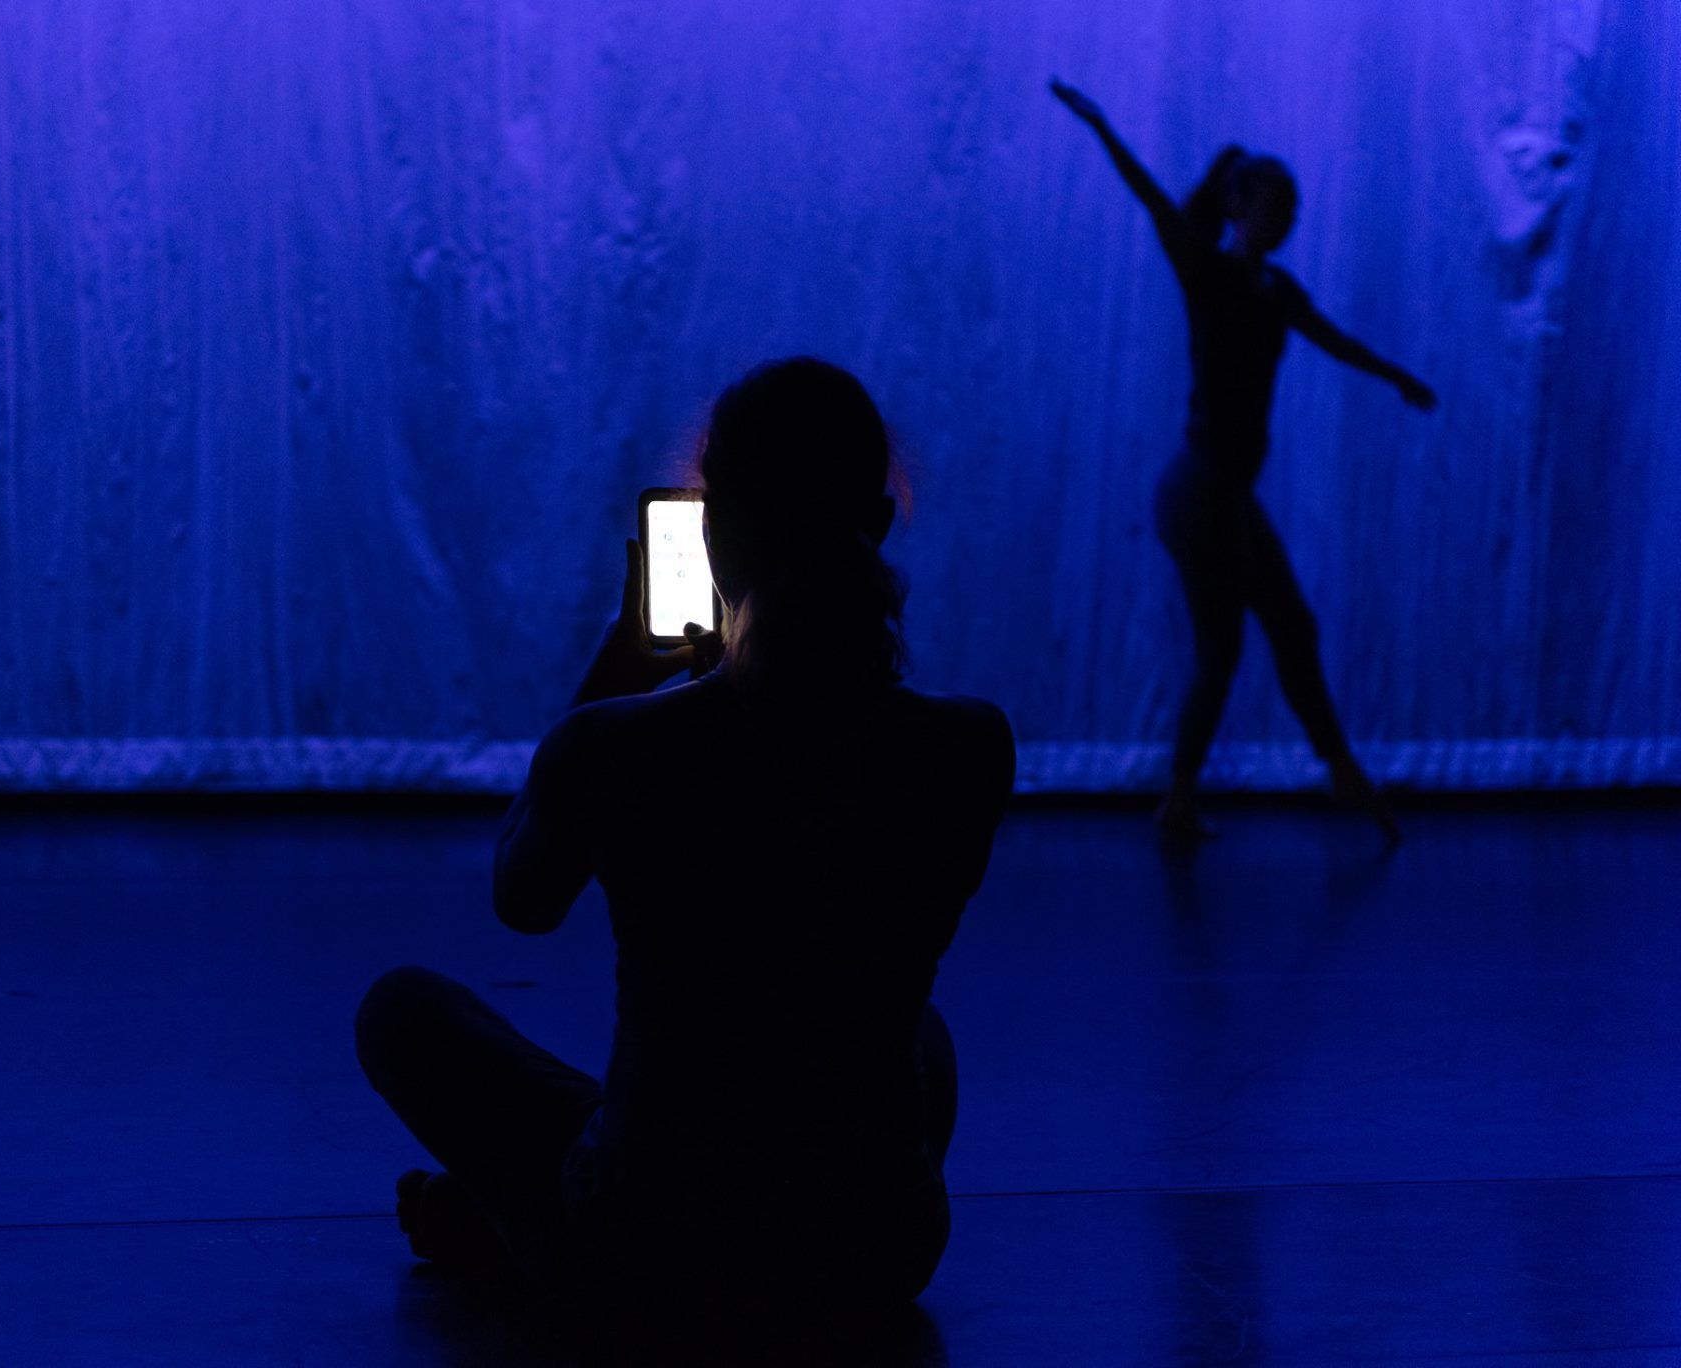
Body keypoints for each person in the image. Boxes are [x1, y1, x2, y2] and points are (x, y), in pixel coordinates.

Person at [355, 358, 1015, 1329]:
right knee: (916, 1036)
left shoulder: (621, 744)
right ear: (877, 524)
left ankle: (513, 1228)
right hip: (878, 1252)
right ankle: (518, 1223)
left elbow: (521, 897)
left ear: (708, 530)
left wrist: (623, 667)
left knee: (401, 1012)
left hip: (644, 1249)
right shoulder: (968, 745)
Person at [1051, 78, 1434, 841]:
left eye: (1292, 208)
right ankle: (1204, 794)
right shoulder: (1210, 272)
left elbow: (1334, 341)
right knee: (1239, 644)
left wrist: (1397, 378)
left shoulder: (1275, 289)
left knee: (1279, 631)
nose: (1288, 218)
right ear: (1239, 209)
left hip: (1222, 496)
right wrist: (1101, 126)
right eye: (1275, 206)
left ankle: (1293, 780)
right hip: (1201, 495)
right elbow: (1155, 202)